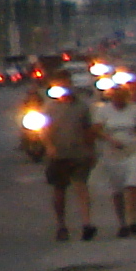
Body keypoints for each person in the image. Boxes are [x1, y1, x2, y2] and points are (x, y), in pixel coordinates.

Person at [42, 79, 101, 242]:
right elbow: (44, 130)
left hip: (79, 154)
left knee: (81, 187)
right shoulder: (50, 107)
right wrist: (49, 146)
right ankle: (61, 225)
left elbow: (89, 130)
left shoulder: (82, 107)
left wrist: (91, 151)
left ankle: (86, 224)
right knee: (59, 190)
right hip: (58, 155)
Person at [96, 78, 136, 236]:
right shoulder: (103, 111)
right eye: (115, 98)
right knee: (117, 189)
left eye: (122, 98)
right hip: (113, 152)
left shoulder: (134, 110)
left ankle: (133, 220)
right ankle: (122, 222)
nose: (119, 101)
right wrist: (110, 139)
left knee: (134, 184)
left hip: (133, 149)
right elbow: (96, 130)